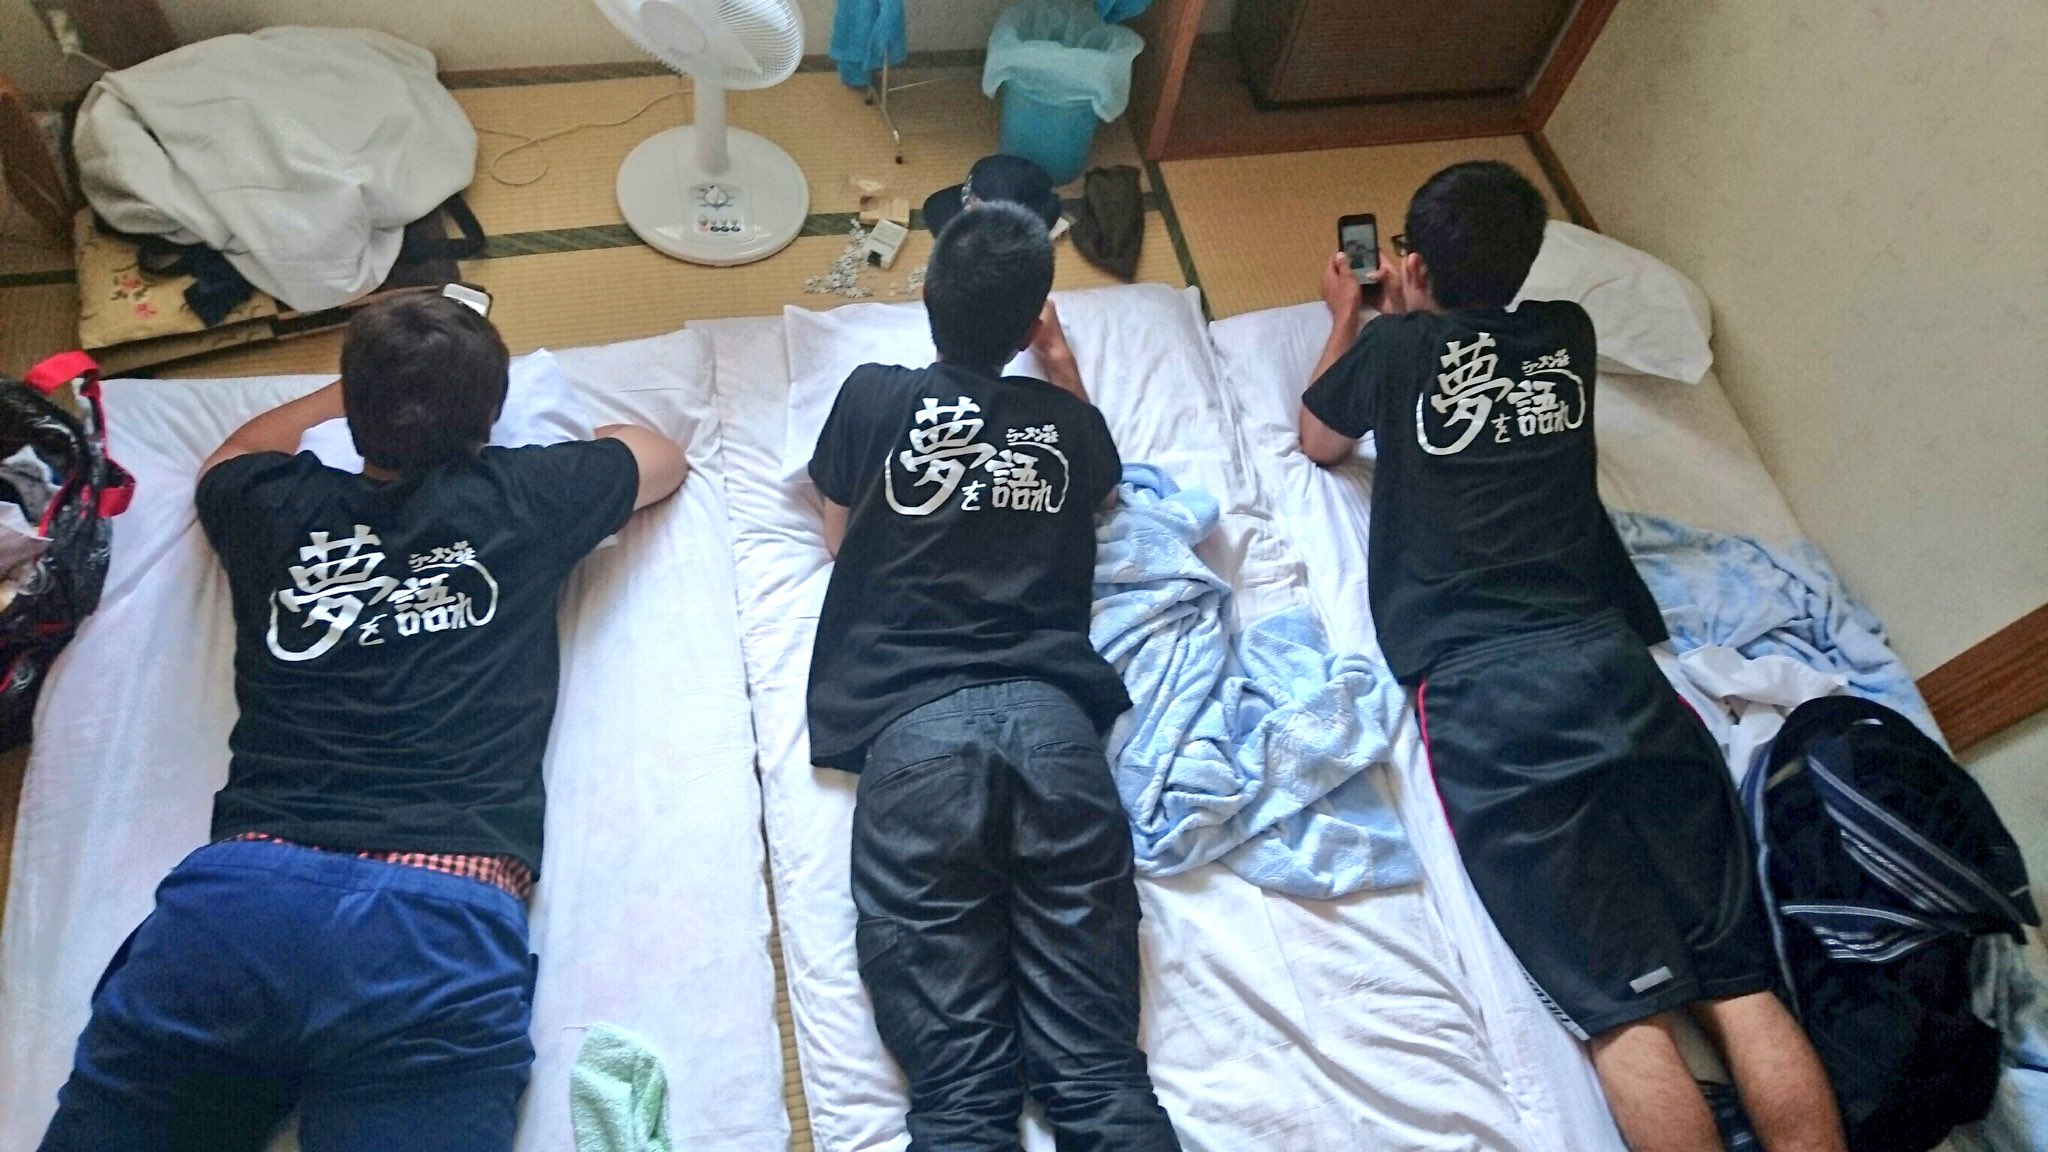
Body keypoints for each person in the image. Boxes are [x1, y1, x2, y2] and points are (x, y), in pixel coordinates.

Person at [40, 292, 687, 1152]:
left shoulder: (271, 503)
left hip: (242, 901)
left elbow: (234, 453)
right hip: (439, 919)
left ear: (351, 413)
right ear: (491, 415)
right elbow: (657, 455)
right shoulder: (525, 496)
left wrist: (349, 396)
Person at [1297, 162, 1848, 1152]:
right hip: (1612, 663)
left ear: (1410, 265)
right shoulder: (1567, 335)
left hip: (1486, 692)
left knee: (1624, 1009)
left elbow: (1318, 439)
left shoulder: (1396, 348)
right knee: (1739, 985)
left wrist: (1354, 314)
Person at [806, 202, 1180, 1152]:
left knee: (963, 1097)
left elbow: (839, 535)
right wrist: (1057, 364)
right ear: (1030, 324)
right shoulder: (1067, 425)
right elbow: (1105, 483)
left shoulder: (873, 396)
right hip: (1056, 732)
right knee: (1098, 1076)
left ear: (928, 298)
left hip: (914, 733)